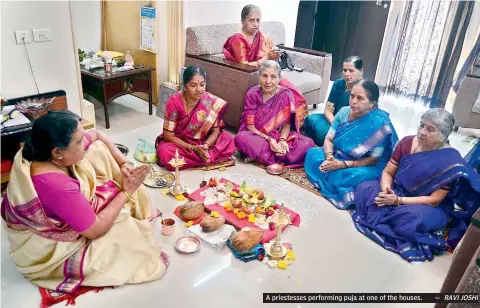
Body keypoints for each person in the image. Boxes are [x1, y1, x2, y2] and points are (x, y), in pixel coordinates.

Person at [1, 110, 168, 292]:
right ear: (57, 152)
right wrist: (127, 191)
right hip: (45, 245)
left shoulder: (44, 150)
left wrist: (123, 162)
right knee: (126, 232)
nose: (84, 142)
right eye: (79, 142)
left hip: (62, 198)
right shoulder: (57, 185)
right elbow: (94, 231)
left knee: (98, 150)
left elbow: (97, 134)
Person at [352, 109, 480, 262]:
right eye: (421, 125)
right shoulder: (407, 142)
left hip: (425, 204)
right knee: (365, 188)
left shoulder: (450, 160)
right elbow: (388, 171)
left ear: (443, 136)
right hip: (396, 190)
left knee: (413, 219)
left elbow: (435, 200)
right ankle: (389, 214)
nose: (422, 132)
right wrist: (387, 190)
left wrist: (398, 201)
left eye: (430, 129)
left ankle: (392, 218)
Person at [305, 80, 398, 209]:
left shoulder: (379, 123)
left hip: (364, 163)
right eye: (352, 96)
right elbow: (329, 139)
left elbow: (373, 159)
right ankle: (332, 173)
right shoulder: (344, 112)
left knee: (354, 176)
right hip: (339, 155)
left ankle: (334, 178)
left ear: (372, 103)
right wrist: (329, 157)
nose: (354, 101)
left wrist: (342, 164)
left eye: (360, 98)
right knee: (312, 153)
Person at [223, 4, 308, 128]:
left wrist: (271, 56)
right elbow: (244, 67)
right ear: (242, 21)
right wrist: (266, 58)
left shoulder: (259, 36)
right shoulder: (238, 39)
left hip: (264, 73)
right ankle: (276, 126)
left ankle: (293, 125)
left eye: (258, 20)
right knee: (284, 88)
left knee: (291, 91)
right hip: (247, 76)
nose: (256, 24)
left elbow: (266, 56)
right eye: (251, 20)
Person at [235, 60, 315, 167]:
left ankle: (262, 156)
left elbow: (287, 124)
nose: (268, 81)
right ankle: (280, 156)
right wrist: (269, 139)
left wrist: (282, 140)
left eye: (273, 77)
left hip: (277, 135)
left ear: (279, 79)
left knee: (308, 143)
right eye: (264, 76)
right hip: (257, 135)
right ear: (259, 77)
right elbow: (250, 127)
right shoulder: (252, 94)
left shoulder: (286, 94)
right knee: (241, 138)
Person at [155, 66, 236, 171]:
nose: (199, 89)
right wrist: (193, 148)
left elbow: (216, 131)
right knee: (165, 151)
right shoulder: (174, 102)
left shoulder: (209, 101)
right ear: (184, 86)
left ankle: (202, 155)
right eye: (193, 85)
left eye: (202, 84)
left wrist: (206, 146)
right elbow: (168, 135)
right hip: (181, 143)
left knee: (228, 139)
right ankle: (207, 158)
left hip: (202, 140)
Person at [303, 56, 364, 146]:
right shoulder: (338, 84)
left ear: (361, 71)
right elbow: (328, 110)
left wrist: (337, 128)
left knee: (326, 135)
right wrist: (334, 124)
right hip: (332, 120)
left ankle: (325, 145)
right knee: (310, 119)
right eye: (344, 70)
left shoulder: (364, 89)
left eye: (351, 70)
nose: (347, 74)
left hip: (348, 127)